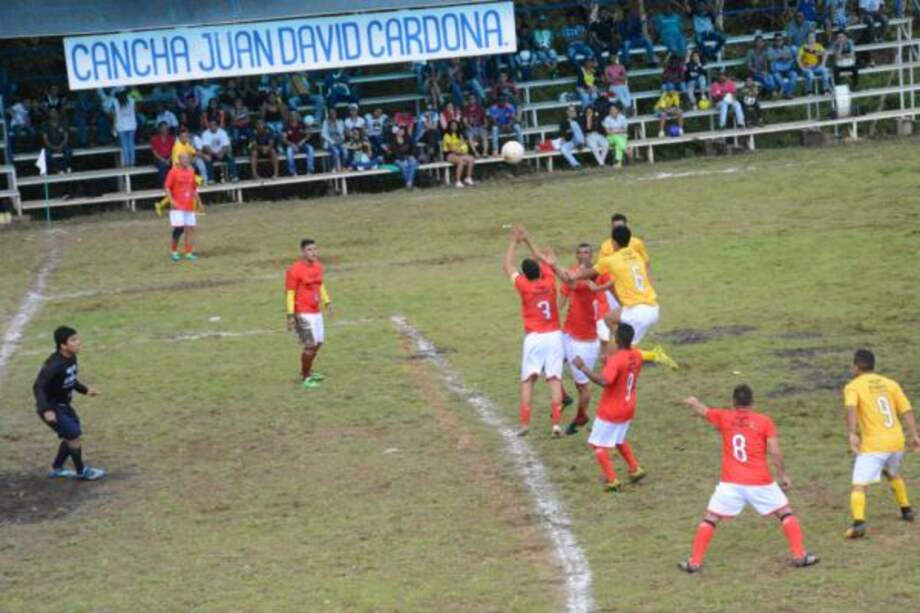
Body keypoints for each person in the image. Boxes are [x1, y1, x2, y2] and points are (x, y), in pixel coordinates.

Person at [679, 386, 819, 572]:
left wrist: (694, 403)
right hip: (760, 481)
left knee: (711, 518)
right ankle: (799, 555)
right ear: (753, 402)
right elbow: (775, 451)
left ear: (733, 402)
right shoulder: (764, 422)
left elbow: (704, 411)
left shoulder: (724, 417)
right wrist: (782, 475)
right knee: (784, 512)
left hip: (730, 482)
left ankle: (694, 562)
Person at [842, 349, 920, 539]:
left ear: (856, 366)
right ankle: (906, 510)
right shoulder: (890, 384)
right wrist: (915, 435)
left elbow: (851, 408)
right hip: (896, 441)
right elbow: (907, 411)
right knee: (891, 472)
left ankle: (858, 524)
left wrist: (852, 433)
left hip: (874, 445)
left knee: (858, 486)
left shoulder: (853, 386)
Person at [503, 227, 565, 438]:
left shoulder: (524, 286)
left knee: (528, 380)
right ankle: (556, 424)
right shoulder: (549, 281)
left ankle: (524, 423)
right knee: (555, 378)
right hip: (555, 336)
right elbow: (544, 261)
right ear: (539, 271)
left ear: (525, 275)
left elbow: (507, 265)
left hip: (535, 337)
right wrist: (529, 240)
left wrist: (514, 241)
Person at [574, 323, 646, 490]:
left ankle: (612, 480)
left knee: (598, 445)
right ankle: (635, 469)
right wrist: (608, 361)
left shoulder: (617, 359)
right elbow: (624, 370)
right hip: (628, 406)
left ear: (617, 339)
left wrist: (583, 368)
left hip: (611, 409)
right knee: (618, 439)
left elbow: (605, 381)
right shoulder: (637, 355)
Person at [33, 326, 105, 481]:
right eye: (73, 340)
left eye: (77, 338)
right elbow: (38, 386)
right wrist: (46, 410)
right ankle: (81, 471)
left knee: (72, 434)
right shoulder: (54, 365)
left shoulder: (71, 357)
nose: (78, 342)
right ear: (63, 345)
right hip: (52, 407)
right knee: (73, 436)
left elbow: (70, 379)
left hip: (63, 405)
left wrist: (85, 390)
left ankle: (56, 468)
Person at [558, 243, 602, 435]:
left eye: (587, 252)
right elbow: (565, 292)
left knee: (582, 386)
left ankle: (582, 415)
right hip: (568, 332)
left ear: (592, 255)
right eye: (580, 252)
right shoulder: (576, 273)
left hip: (585, 340)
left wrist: (549, 263)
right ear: (576, 255)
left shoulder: (593, 278)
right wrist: (554, 317)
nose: (583, 255)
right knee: (547, 361)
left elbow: (570, 281)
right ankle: (563, 397)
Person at [285, 239, 335, 389]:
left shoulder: (318, 266)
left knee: (319, 342)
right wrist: (290, 316)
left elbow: (320, 285)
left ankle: (307, 371)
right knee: (309, 345)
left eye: (315, 249)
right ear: (303, 252)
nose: (313, 252)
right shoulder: (294, 270)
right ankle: (306, 377)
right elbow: (290, 294)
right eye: (309, 250)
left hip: (316, 311)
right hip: (302, 312)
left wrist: (327, 302)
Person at [199, 119, 238, 183]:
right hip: (211, 153)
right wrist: (215, 154)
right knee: (207, 159)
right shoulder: (205, 133)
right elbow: (206, 147)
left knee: (230, 156)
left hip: (222, 153)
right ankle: (211, 179)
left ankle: (234, 176)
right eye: (210, 125)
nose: (212, 127)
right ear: (209, 126)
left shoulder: (222, 132)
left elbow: (226, 145)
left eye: (214, 125)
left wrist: (221, 153)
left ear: (217, 126)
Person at [442, 119, 475, 188]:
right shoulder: (446, 135)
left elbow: (463, 145)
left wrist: (464, 149)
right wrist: (460, 152)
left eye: (456, 125)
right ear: (449, 126)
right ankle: (458, 181)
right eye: (453, 125)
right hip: (449, 154)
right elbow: (450, 148)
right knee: (460, 161)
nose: (454, 127)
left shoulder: (459, 135)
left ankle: (468, 178)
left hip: (459, 153)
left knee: (471, 159)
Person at [282, 111, 315, 175]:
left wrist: (303, 141)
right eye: (291, 115)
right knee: (289, 151)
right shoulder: (286, 126)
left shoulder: (302, 124)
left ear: (297, 116)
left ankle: (310, 170)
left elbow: (309, 133)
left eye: (295, 115)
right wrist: (292, 145)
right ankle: (293, 172)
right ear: (289, 116)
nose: (293, 116)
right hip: (292, 145)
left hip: (302, 144)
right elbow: (284, 139)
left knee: (310, 148)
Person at [40, 109, 72, 174]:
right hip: (50, 146)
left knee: (69, 152)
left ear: (58, 114)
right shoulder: (45, 124)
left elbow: (66, 137)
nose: (53, 114)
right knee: (46, 154)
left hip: (62, 145)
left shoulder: (63, 123)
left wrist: (61, 146)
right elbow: (45, 139)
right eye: (52, 112)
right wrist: (53, 147)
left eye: (55, 112)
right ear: (49, 114)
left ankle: (62, 167)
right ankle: (59, 169)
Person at [768, 34, 799, 98]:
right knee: (776, 76)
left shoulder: (787, 48)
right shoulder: (770, 49)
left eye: (781, 40)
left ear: (783, 40)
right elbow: (769, 58)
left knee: (794, 74)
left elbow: (791, 57)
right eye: (777, 40)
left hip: (787, 68)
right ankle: (788, 92)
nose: (779, 41)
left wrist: (787, 57)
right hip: (777, 70)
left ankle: (788, 92)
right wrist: (780, 56)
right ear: (774, 41)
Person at [387, 125, 419, 189]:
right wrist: (403, 159)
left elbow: (414, 148)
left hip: (408, 156)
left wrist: (412, 155)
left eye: (403, 129)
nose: (403, 131)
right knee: (403, 165)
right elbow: (395, 154)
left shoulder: (407, 138)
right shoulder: (393, 142)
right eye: (401, 130)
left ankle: (408, 183)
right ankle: (409, 183)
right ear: (396, 132)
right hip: (398, 159)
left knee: (413, 163)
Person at [111, 91, 137, 166]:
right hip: (132, 125)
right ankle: (132, 163)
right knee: (131, 144)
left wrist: (114, 126)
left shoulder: (115, 102)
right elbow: (135, 111)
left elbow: (114, 116)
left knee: (125, 145)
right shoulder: (132, 100)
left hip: (121, 126)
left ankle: (127, 163)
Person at [602, 104, 629, 168]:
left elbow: (625, 130)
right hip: (611, 138)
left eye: (614, 109)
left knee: (618, 144)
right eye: (611, 110)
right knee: (618, 138)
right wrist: (619, 130)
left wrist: (614, 131)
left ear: (617, 110)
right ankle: (625, 150)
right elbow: (608, 132)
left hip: (622, 137)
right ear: (609, 111)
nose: (612, 111)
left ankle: (618, 163)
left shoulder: (622, 117)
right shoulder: (607, 119)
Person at [559, 104, 586, 168]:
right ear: (567, 112)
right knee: (563, 148)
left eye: (573, 111)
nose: (572, 112)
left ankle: (580, 144)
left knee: (574, 124)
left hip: (580, 140)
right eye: (570, 111)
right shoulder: (563, 122)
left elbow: (582, 131)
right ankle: (576, 164)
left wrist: (574, 121)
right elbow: (563, 134)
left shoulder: (579, 119)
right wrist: (563, 139)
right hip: (571, 141)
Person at [321, 108, 347, 172]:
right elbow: (323, 134)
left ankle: (343, 167)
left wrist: (342, 138)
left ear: (336, 114)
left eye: (333, 113)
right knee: (336, 151)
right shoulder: (326, 122)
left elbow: (343, 133)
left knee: (345, 151)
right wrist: (332, 141)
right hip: (330, 143)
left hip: (339, 142)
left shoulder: (340, 122)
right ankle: (334, 168)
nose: (332, 114)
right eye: (330, 113)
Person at [150, 121, 176, 185]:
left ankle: (174, 184)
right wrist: (164, 160)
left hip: (169, 157)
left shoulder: (172, 138)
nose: (165, 130)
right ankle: (164, 184)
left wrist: (169, 159)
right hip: (159, 158)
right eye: (163, 128)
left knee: (175, 164)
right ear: (159, 129)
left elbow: (173, 151)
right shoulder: (154, 139)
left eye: (166, 128)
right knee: (162, 165)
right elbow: (155, 153)